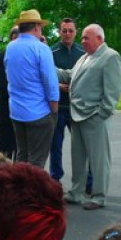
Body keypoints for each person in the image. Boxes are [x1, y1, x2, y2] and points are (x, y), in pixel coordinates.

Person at [56, 24, 121, 210]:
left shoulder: (110, 57)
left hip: (94, 117)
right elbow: (69, 75)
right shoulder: (85, 57)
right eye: (83, 38)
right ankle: (76, 193)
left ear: (99, 39)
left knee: (99, 160)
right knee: (78, 158)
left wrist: (102, 114)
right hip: (77, 115)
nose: (82, 41)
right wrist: (46, 64)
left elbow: (113, 90)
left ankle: (99, 196)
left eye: (86, 38)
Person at [4, 10, 59, 168]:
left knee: (22, 154)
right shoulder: (41, 48)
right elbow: (50, 80)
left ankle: (17, 191)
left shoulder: (11, 47)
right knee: (37, 160)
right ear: (36, 27)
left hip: (17, 110)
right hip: (39, 111)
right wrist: (54, 106)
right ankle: (32, 192)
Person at [49, 18, 85, 182]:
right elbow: (44, 76)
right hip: (58, 108)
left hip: (77, 108)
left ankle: (86, 181)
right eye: (64, 31)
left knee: (82, 147)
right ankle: (55, 180)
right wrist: (56, 86)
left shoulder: (83, 52)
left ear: (76, 32)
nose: (68, 34)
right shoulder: (51, 52)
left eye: (71, 30)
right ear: (59, 32)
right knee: (55, 147)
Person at [0, 27, 19, 159]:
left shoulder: (25, 58)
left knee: (20, 146)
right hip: (5, 106)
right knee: (5, 145)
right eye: (15, 39)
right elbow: (2, 84)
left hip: (21, 107)